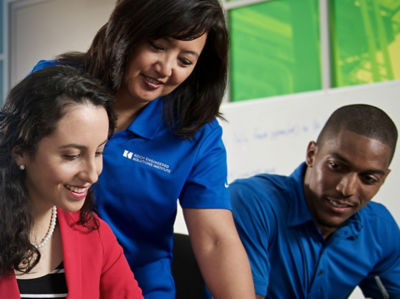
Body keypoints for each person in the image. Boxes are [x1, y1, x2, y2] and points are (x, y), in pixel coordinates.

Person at [30, 0, 255, 298]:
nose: (165, 69)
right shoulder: (53, 84)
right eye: (157, 46)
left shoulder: (196, 133)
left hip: (139, 288)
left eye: (185, 61)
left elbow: (216, 240)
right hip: (46, 277)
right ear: (127, 31)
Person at [0, 66, 143, 298]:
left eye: (98, 152)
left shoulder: (95, 234)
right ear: (21, 152)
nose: (92, 175)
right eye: (72, 156)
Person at [230, 104, 400, 298]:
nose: (347, 189)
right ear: (312, 154)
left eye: (368, 179)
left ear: (383, 179)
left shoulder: (379, 229)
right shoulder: (252, 203)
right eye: (336, 166)